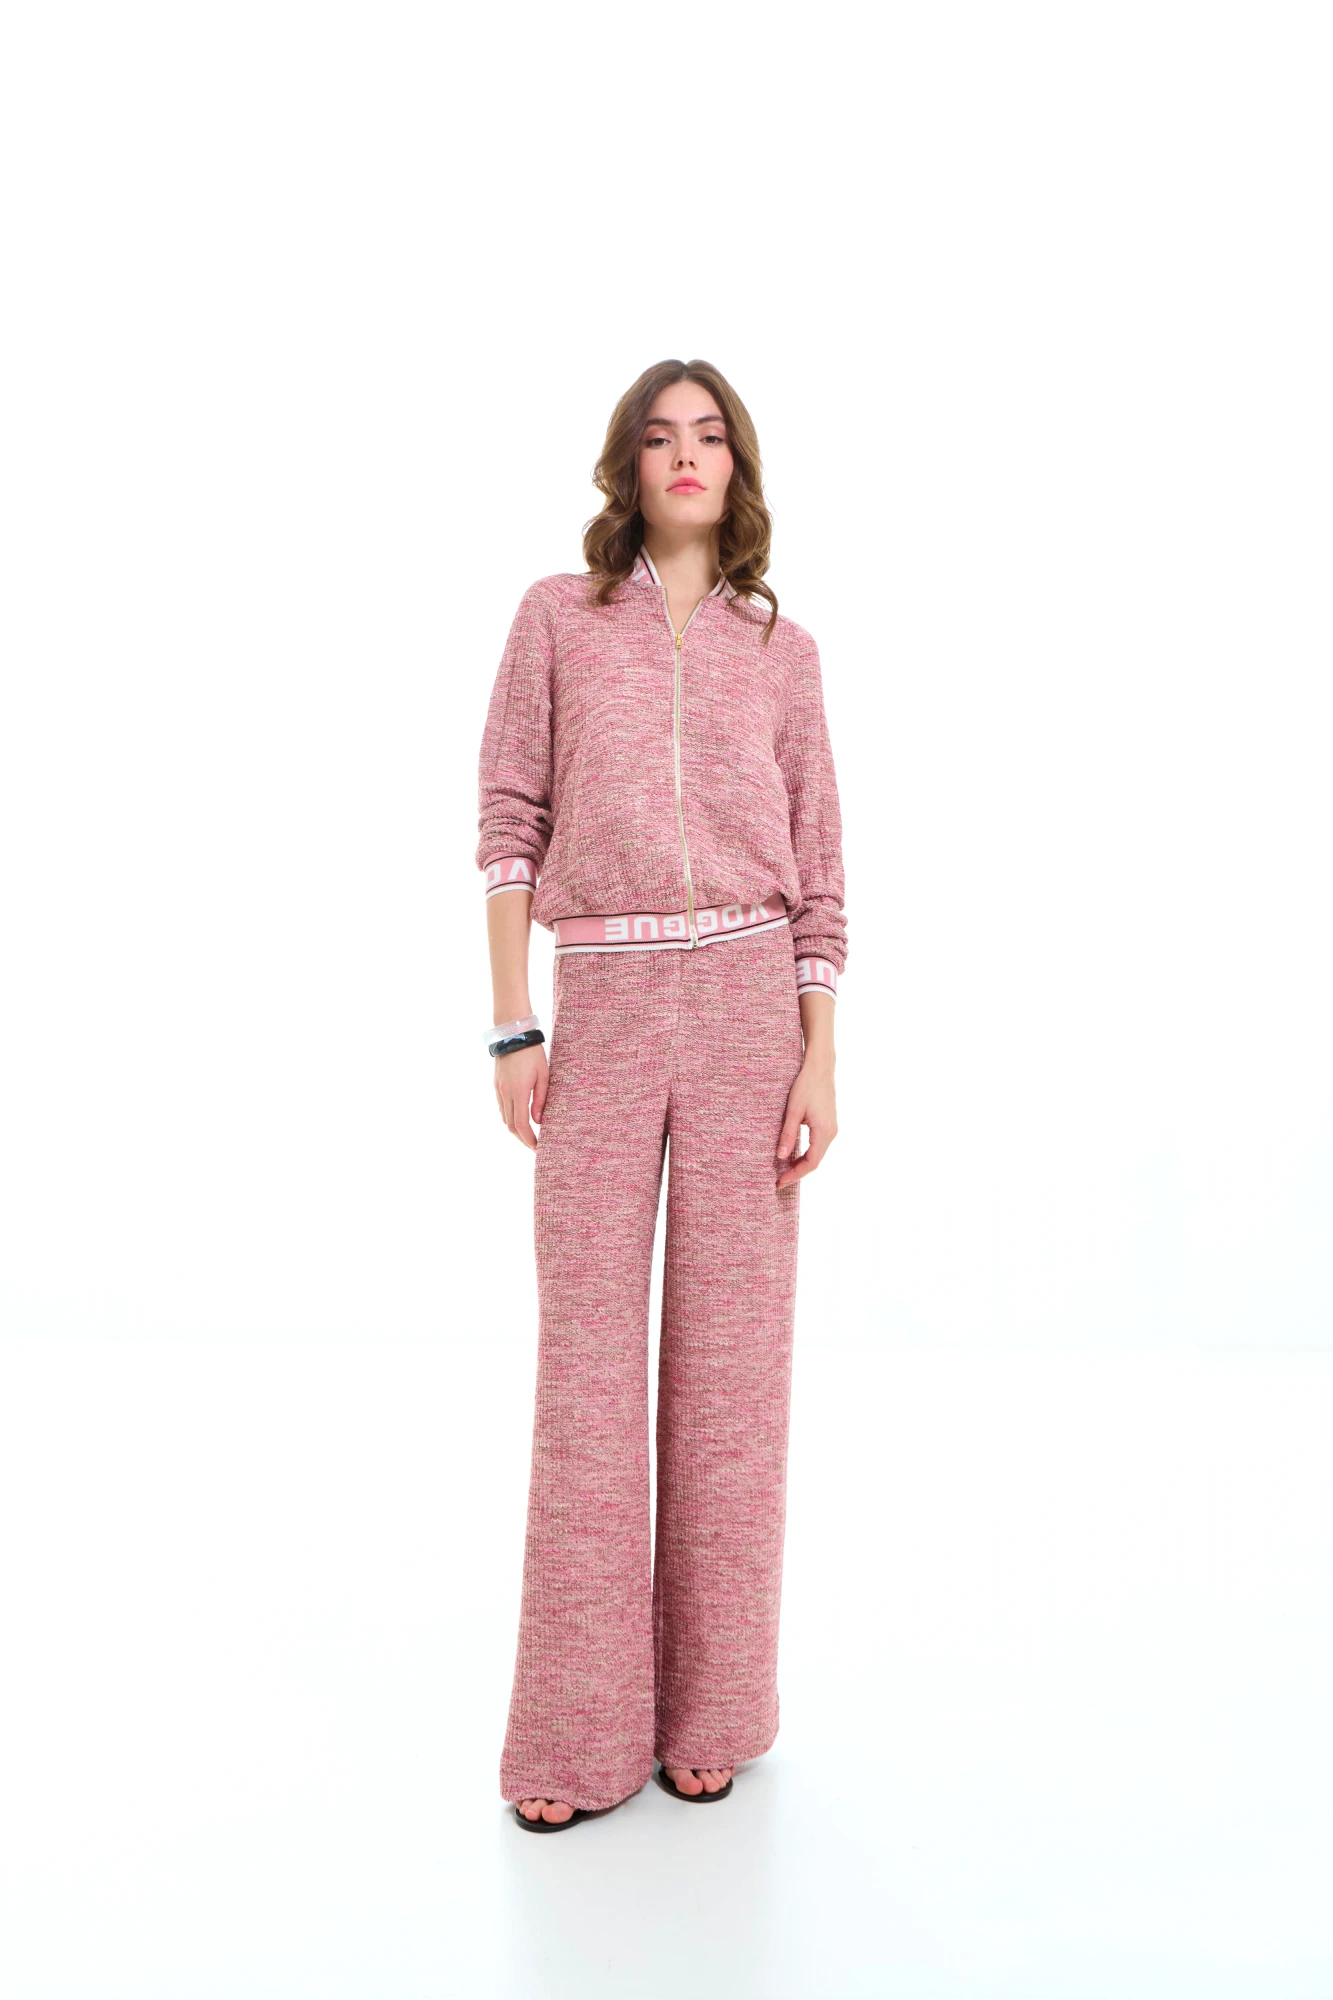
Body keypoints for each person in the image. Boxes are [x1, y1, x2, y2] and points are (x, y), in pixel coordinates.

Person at [476, 357, 848, 1831]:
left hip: (756, 1009)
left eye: (708, 436)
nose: (684, 456)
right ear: (625, 467)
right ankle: (575, 1739)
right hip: (611, 1004)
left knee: (732, 1381)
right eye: (658, 437)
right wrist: (515, 1026)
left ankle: (714, 1714)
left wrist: (820, 1050)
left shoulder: (783, 652)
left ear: (735, 466)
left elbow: (822, 871)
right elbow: (509, 819)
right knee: (587, 1368)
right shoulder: (556, 621)